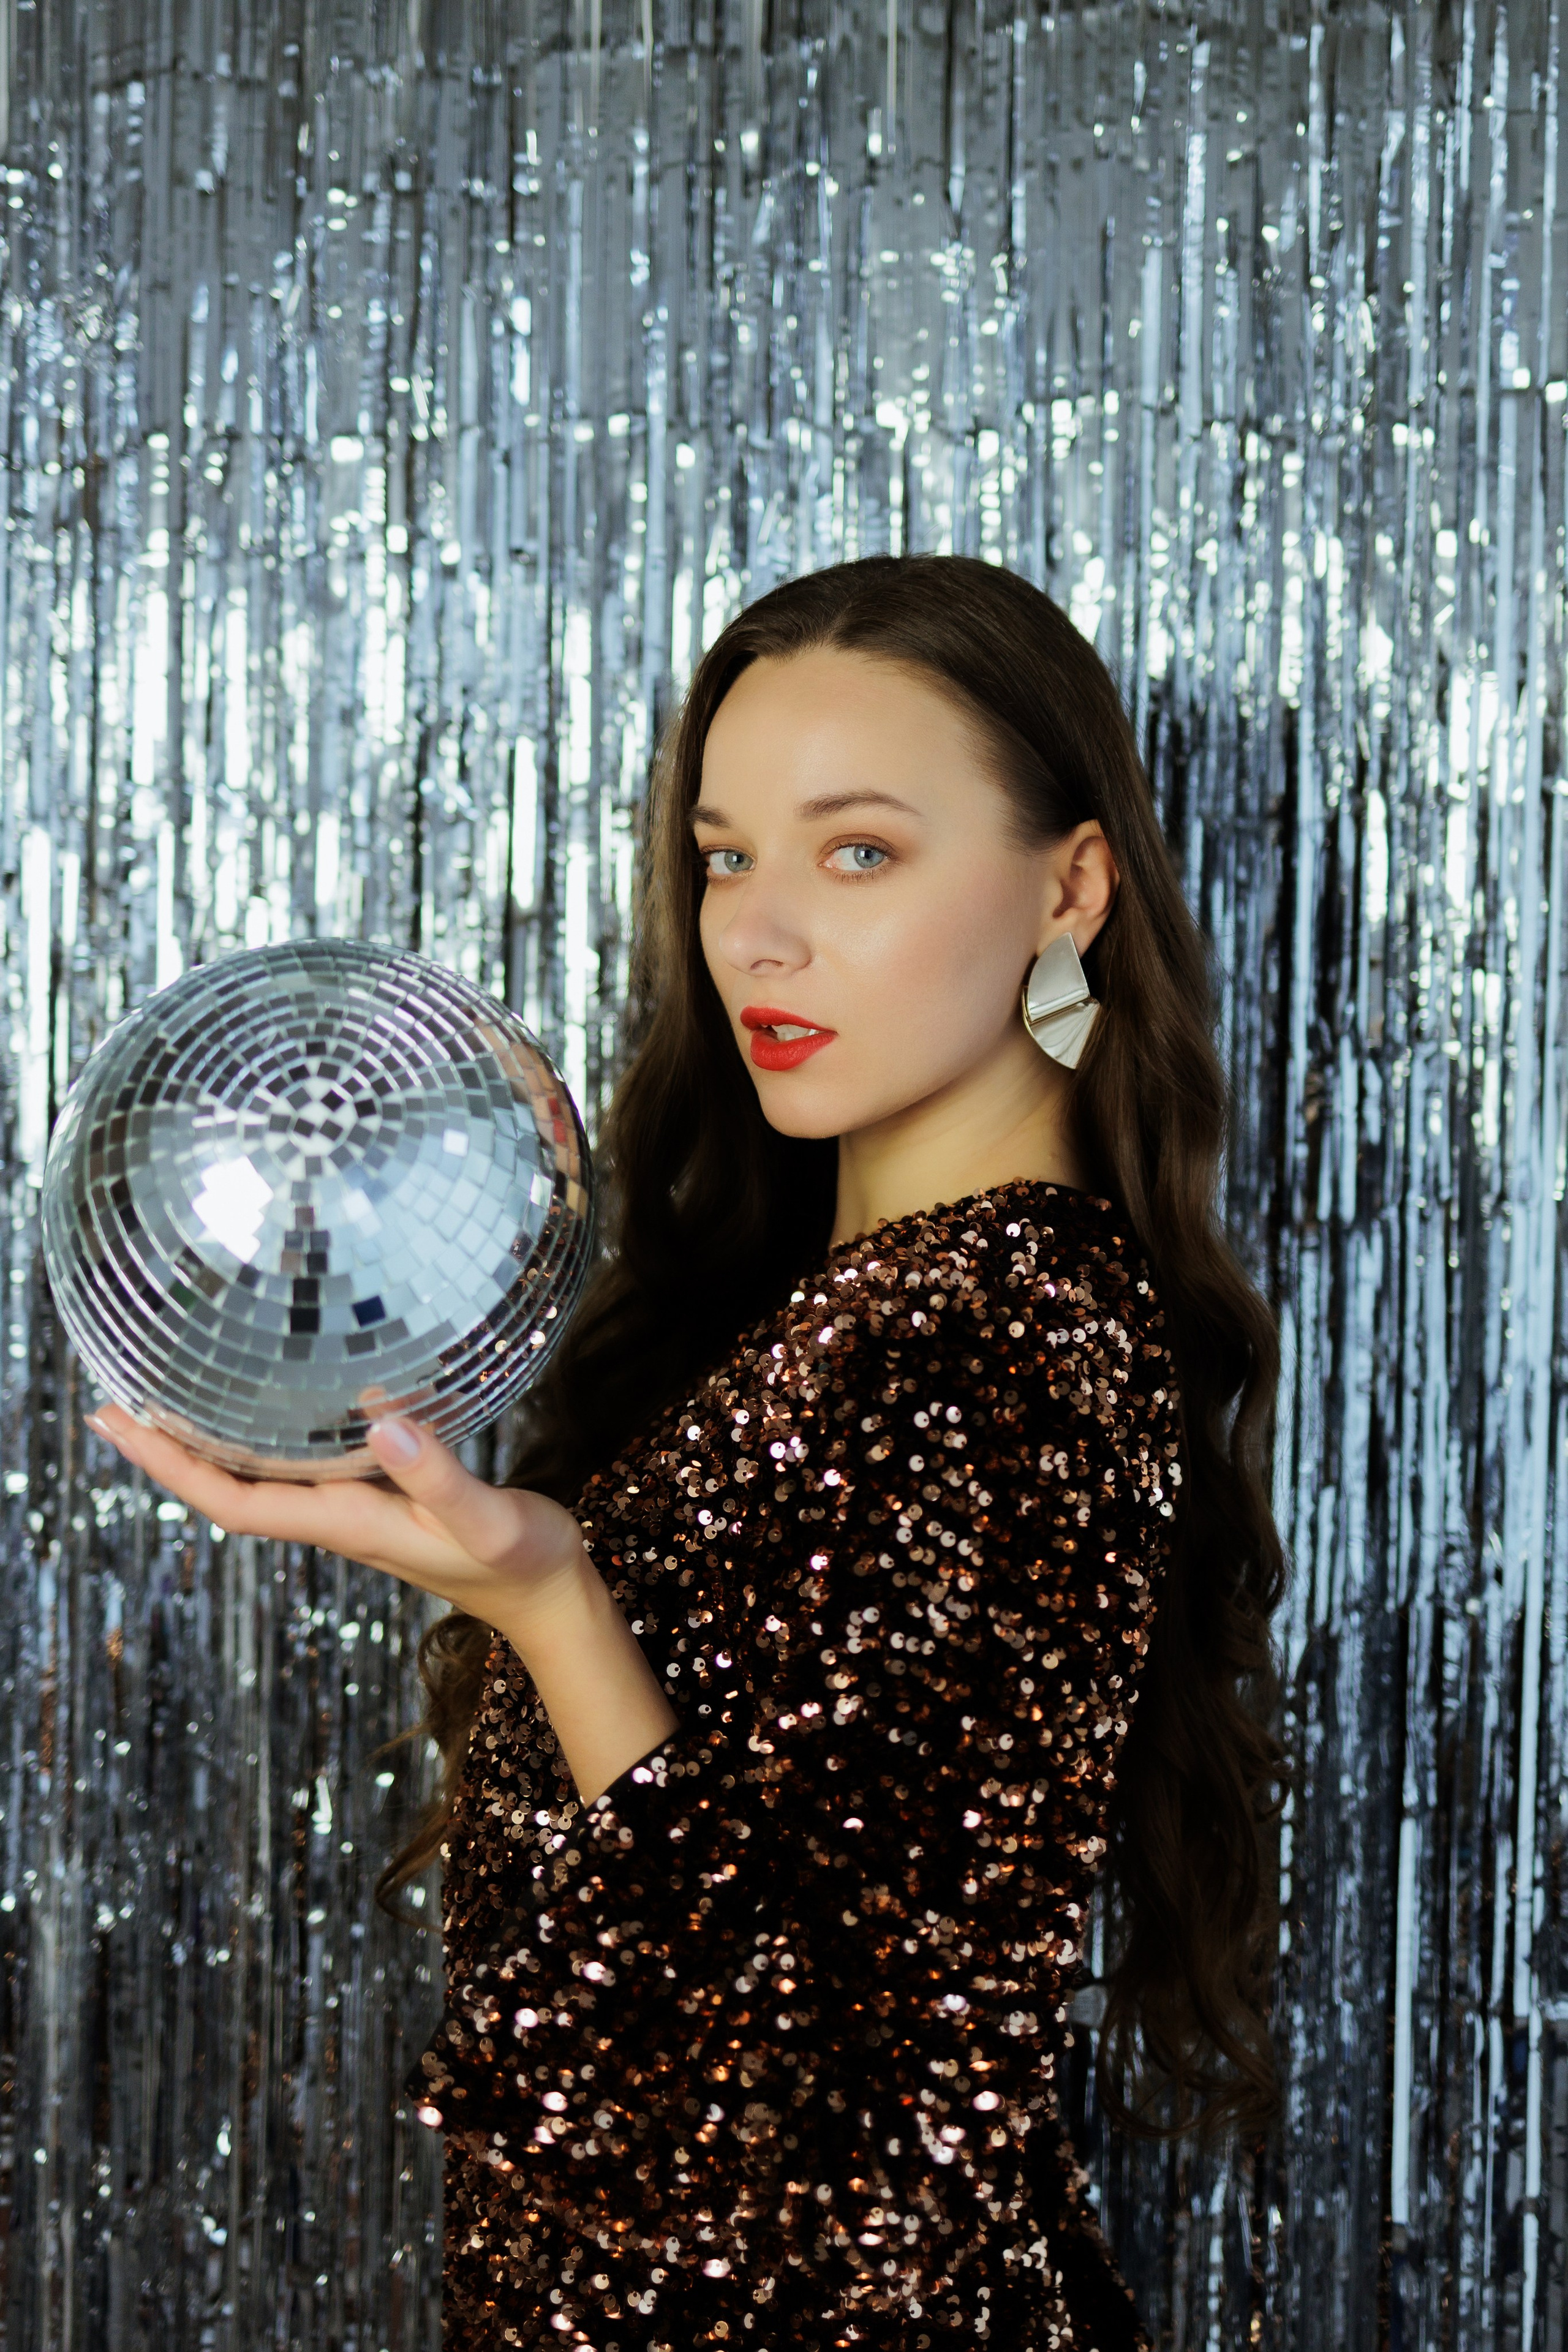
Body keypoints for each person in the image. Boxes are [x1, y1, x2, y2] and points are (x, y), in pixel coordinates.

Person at [89, 555, 1286, 2350]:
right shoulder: (837, 1314)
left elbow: (844, 2165)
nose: (758, 934)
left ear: (1071, 886)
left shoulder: (1004, 1334)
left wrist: (551, 1606)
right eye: (729, 856)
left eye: (859, 852)